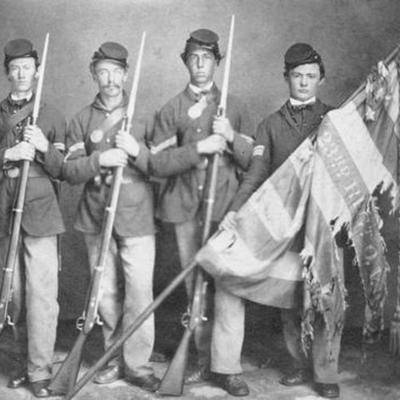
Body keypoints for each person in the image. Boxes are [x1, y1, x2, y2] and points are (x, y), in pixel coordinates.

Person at [215, 43, 341, 398]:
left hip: (324, 223)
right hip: (286, 226)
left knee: (324, 299)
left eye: (311, 77)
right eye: (297, 76)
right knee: (291, 297)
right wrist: (234, 212)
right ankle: (299, 364)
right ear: (286, 78)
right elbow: (254, 176)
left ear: (321, 79)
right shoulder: (270, 125)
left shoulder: (335, 119)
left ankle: (326, 373)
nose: (304, 83)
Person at [148, 29, 255, 387]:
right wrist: (199, 149)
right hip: (185, 211)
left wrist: (230, 138)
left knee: (227, 288)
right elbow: (156, 165)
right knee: (196, 287)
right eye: (193, 56)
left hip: (225, 210)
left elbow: (253, 162)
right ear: (185, 61)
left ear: (216, 62)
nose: (200, 63)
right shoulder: (171, 108)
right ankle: (200, 356)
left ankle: (226, 367)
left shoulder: (235, 107)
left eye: (206, 57)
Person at [62, 41, 160, 393]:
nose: (110, 79)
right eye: (103, 71)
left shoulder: (145, 117)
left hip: (137, 217)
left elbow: (162, 168)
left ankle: (138, 364)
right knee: (105, 294)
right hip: (96, 218)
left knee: (139, 294)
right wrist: (100, 161)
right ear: (93, 74)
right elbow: (69, 171)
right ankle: (113, 359)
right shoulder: (81, 120)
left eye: (116, 71)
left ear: (126, 73)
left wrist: (136, 151)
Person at [0, 38, 66, 398]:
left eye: (28, 67)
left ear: (37, 72)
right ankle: (20, 365)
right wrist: (8, 152)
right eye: (15, 68)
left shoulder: (51, 114)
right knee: (12, 295)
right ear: (8, 73)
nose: (22, 73)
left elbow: (65, 171)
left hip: (40, 212)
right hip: (4, 212)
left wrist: (42, 147)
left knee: (42, 296)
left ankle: (39, 372)